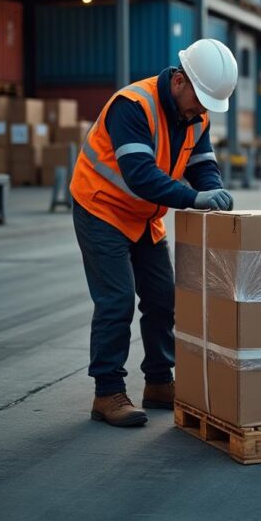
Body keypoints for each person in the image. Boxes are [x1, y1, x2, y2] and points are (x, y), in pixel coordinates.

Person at [70, 39, 238, 427]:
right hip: (102, 208)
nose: (201, 111)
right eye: (199, 101)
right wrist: (195, 198)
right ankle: (107, 392)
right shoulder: (132, 105)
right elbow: (140, 175)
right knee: (116, 302)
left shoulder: (197, 113)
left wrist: (213, 189)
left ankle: (159, 382)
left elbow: (202, 162)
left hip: (144, 216)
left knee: (164, 299)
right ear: (179, 80)